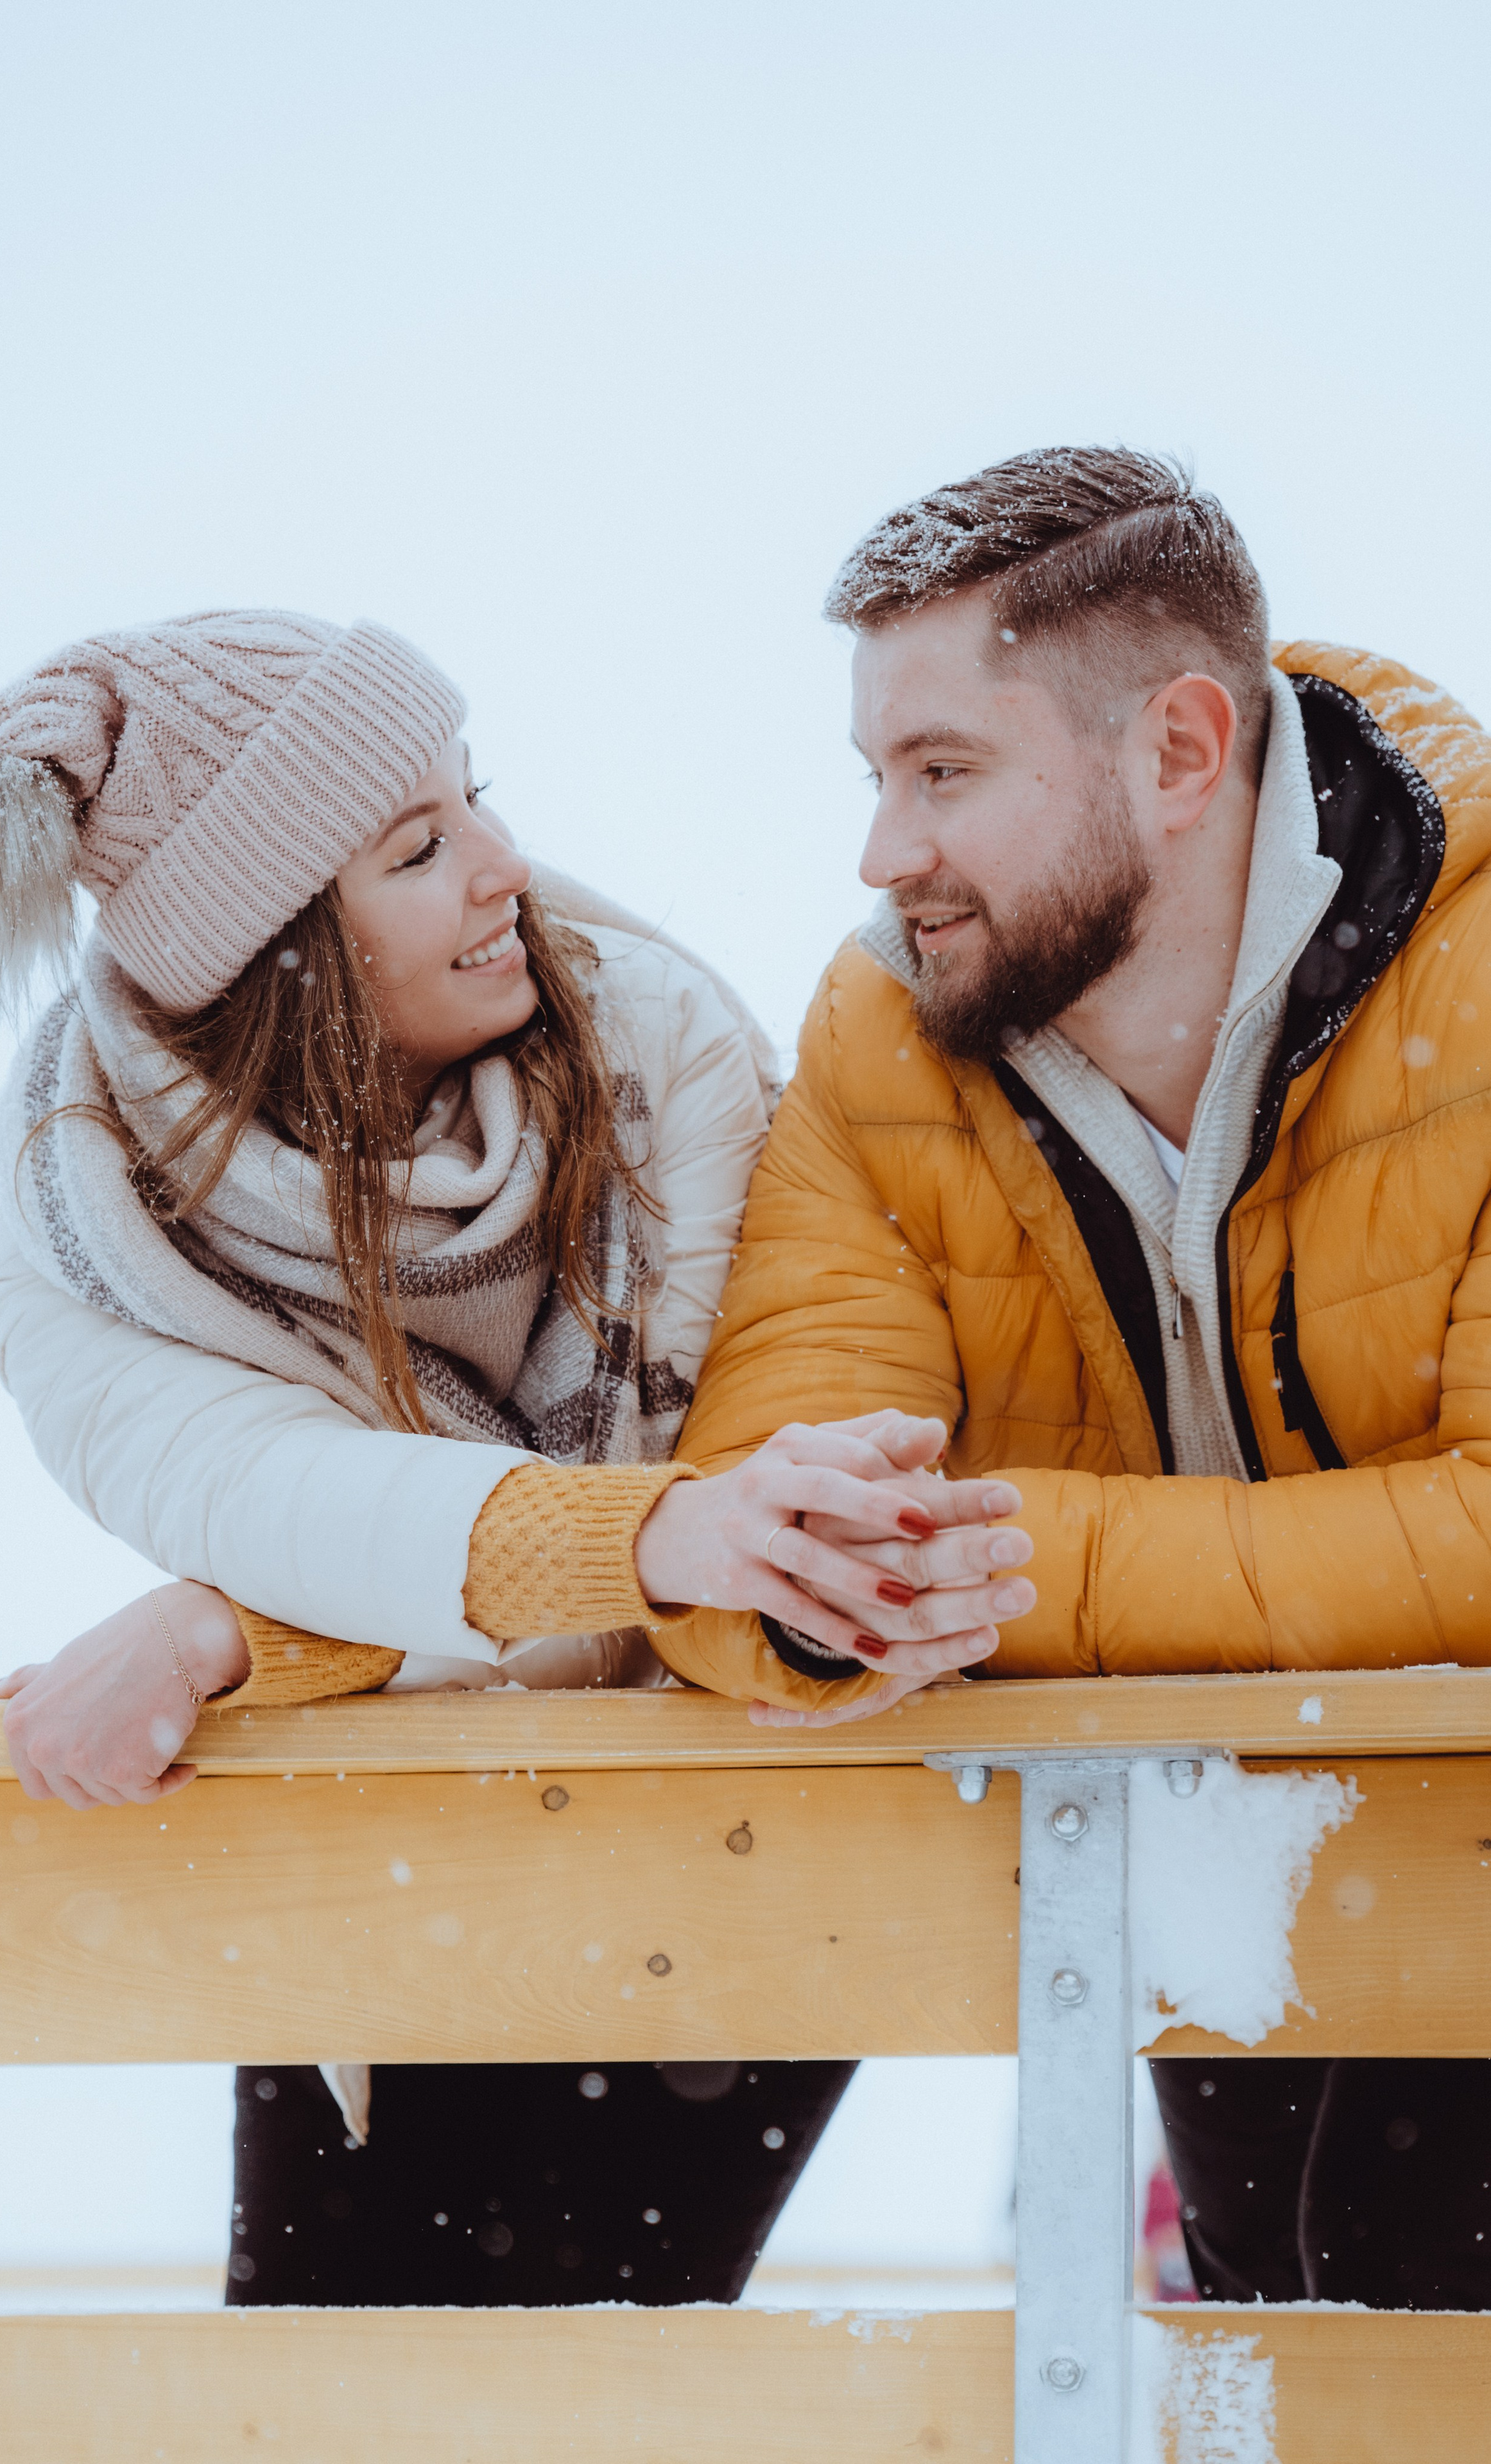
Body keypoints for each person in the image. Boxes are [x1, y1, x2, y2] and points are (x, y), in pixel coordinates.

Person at [0, 606, 1020, 2306]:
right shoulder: (95, 1238)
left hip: (722, 1846)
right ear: (279, 954)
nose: (507, 867)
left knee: (612, 2405)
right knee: (334, 2394)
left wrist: (231, 1636)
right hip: (401, 1878)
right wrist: (282, 1612)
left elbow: (686, 1580)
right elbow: (321, 1516)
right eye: (420, 847)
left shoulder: (662, 1051)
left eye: (479, 800)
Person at [621, 446, 1491, 2306]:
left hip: (1461, 1843)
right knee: (1280, 2337)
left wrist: (1019, 1563)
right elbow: (785, 1477)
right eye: (876, 776)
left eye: (944, 774)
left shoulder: (1481, 983)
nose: (882, 850)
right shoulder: (889, 1037)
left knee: (1403, 2296)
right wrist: (816, 1589)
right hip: (1202, 1853)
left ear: (1182, 752)